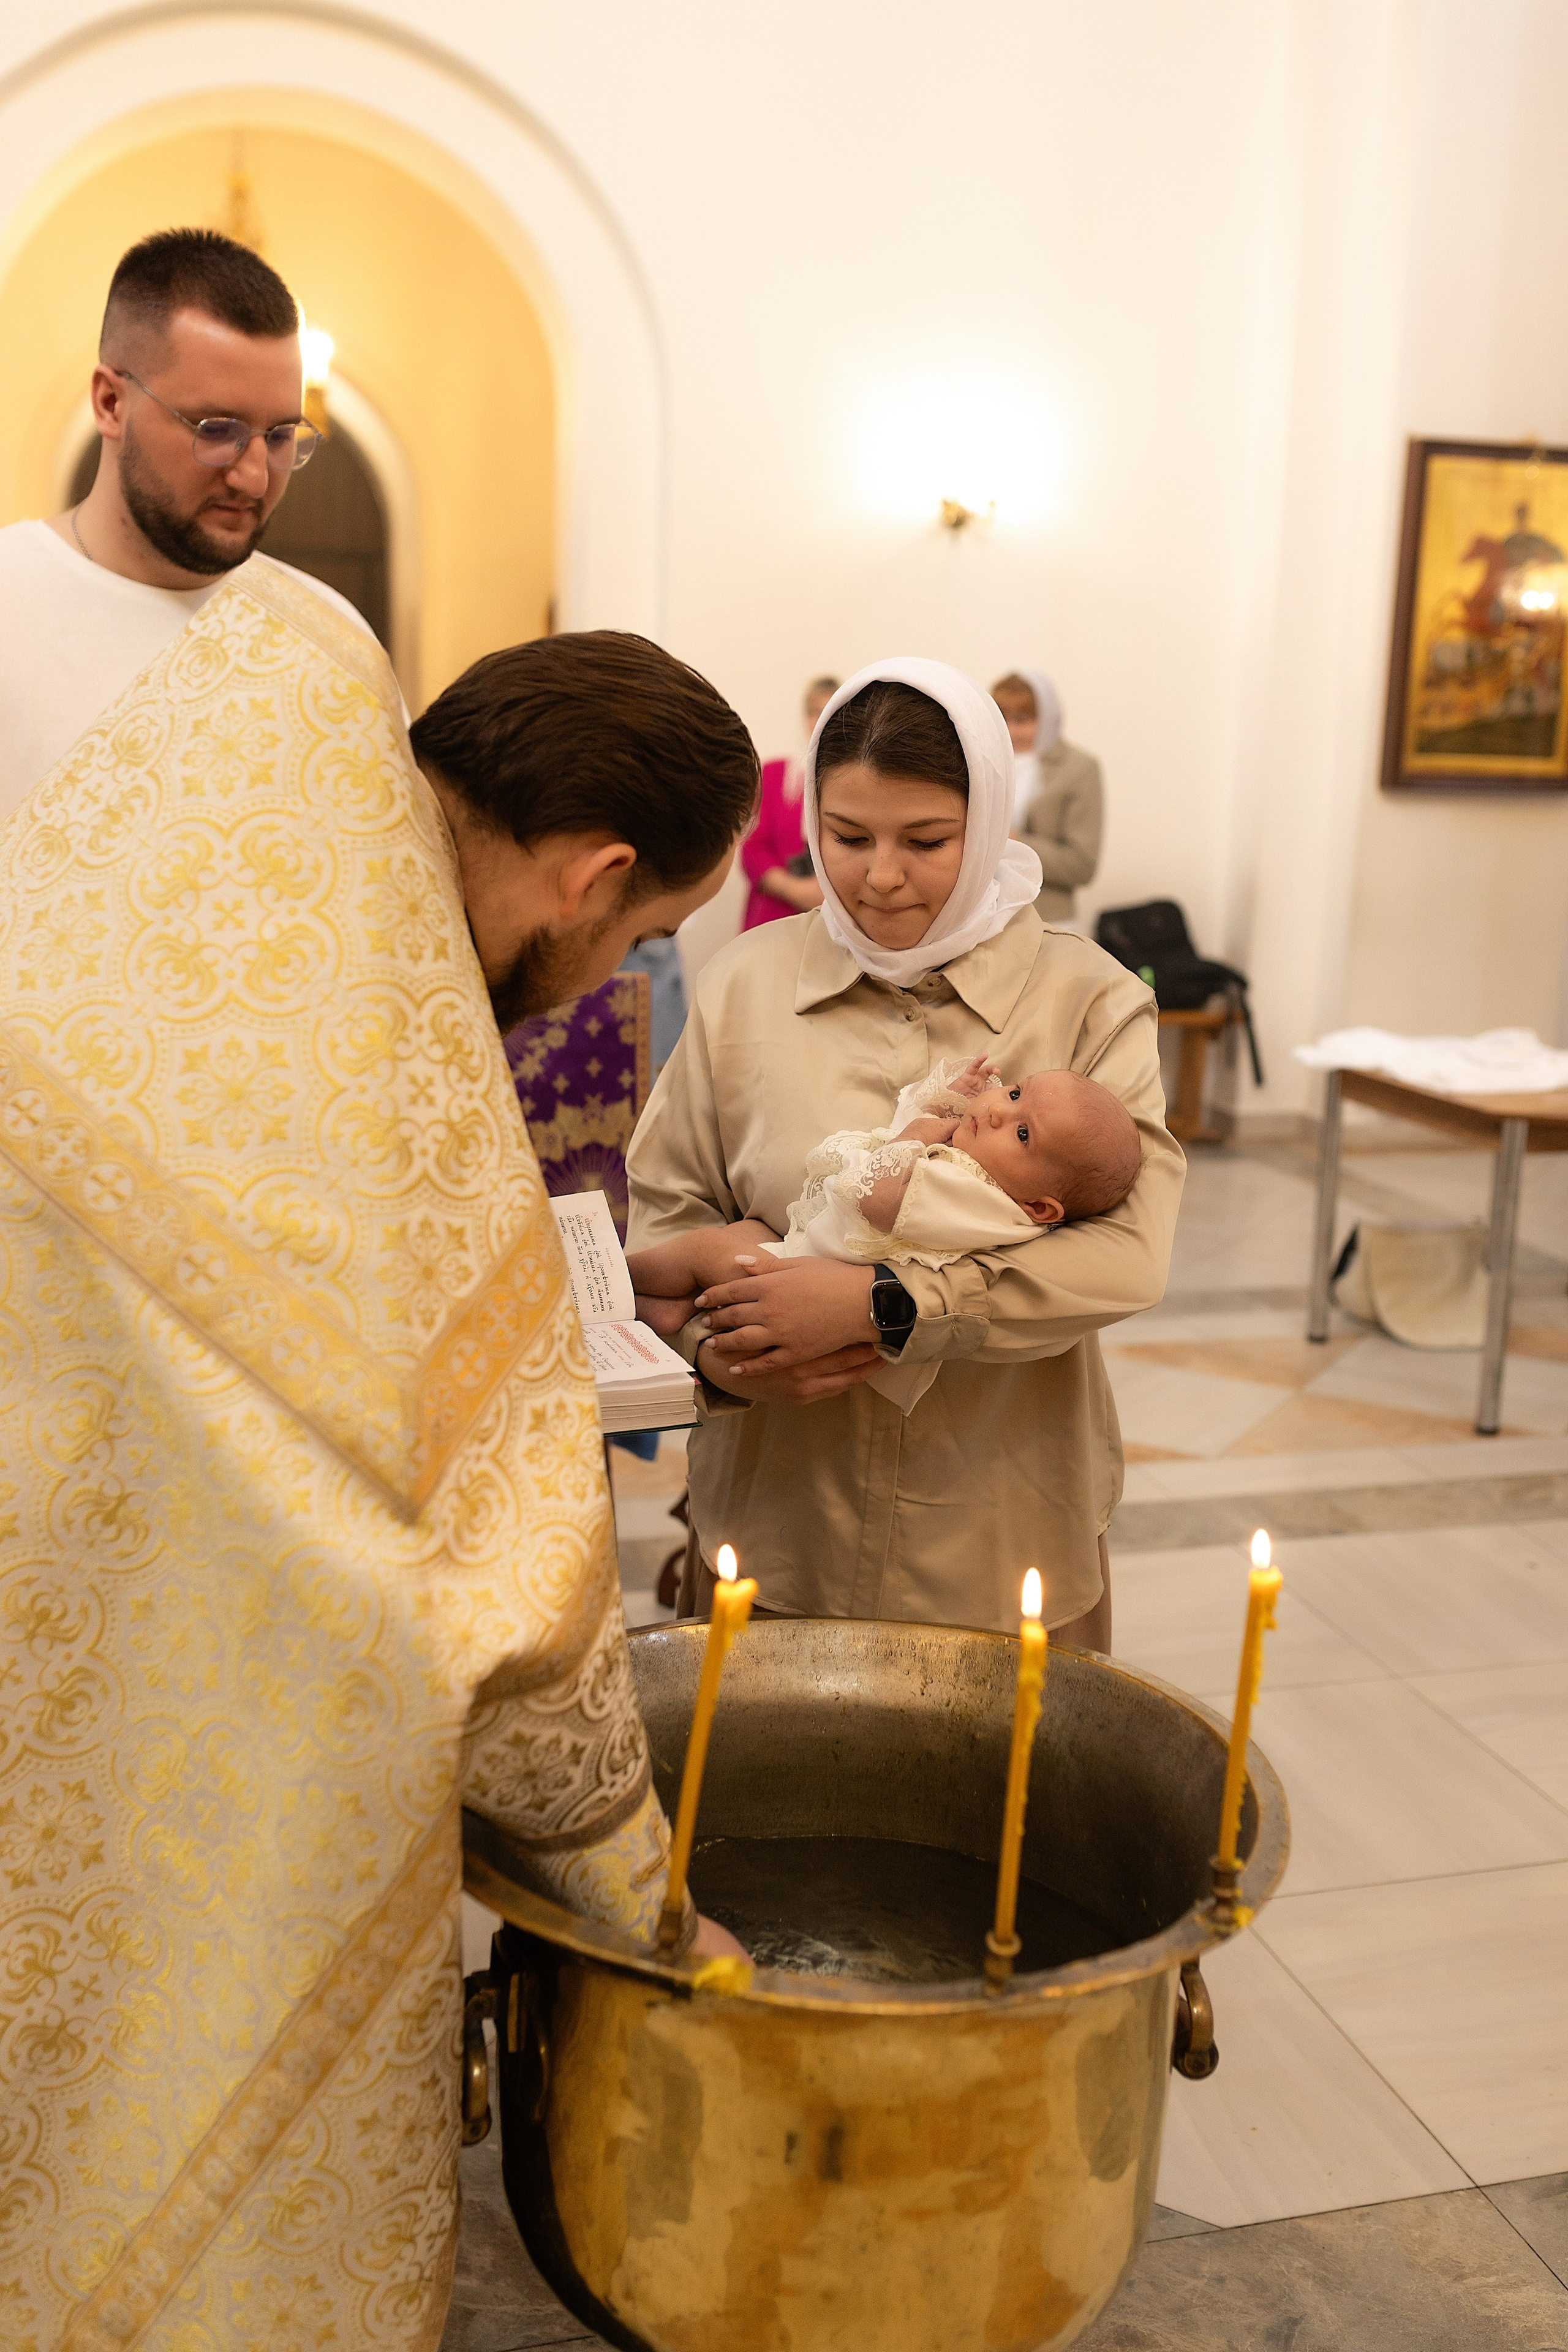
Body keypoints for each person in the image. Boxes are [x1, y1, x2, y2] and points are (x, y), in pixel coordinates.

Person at [0, 600, 755, 2351]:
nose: (619, 970)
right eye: (648, 934)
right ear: (597, 873)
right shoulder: (404, 1058)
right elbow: (485, 1560)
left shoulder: (256, 797)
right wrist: (639, 1896)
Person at [627, 657, 1183, 1643]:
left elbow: (1124, 1257)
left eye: (927, 841)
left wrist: (890, 1306)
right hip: (776, 1510)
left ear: (993, 825)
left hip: (999, 1524)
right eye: (847, 837)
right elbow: (667, 1214)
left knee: (1001, 1792)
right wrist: (718, 1356)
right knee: (763, 1788)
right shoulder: (745, 985)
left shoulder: (1089, 1000)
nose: (880, 876)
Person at [0, 225, 382, 822]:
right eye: (216, 430)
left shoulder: (334, 639)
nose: (254, 478)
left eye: (281, 436)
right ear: (110, 403)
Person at [628, 1054, 1141, 1412]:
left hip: (799, 1278)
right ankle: (670, 1310)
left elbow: (875, 1197)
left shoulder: (980, 1198)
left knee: (708, 1249)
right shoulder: (987, 1181)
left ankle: (616, 1280)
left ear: (1040, 1206)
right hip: (807, 1258)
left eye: (1023, 1133)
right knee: (744, 1232)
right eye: (1014, 1092)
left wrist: (916, 1135)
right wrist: (943, 1104)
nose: (998, 1110)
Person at [991, 666, 1104, 927]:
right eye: (1002, 719)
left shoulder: (1079, 768)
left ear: (1049, 718)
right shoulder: (981, 760)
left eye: (1021, 721)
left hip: (1047, 919)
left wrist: (1015, 842)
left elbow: (1082, 864)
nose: (1010, 731)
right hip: (984, 916)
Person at [738, 673, 839, 927]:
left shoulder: (854, 782)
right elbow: (752, 848)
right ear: (804, 717)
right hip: (773, 916)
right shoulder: (774, 775)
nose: (822, 720)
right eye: (815, 711)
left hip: (833, 922)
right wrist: (797, 890)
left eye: (832, 711)